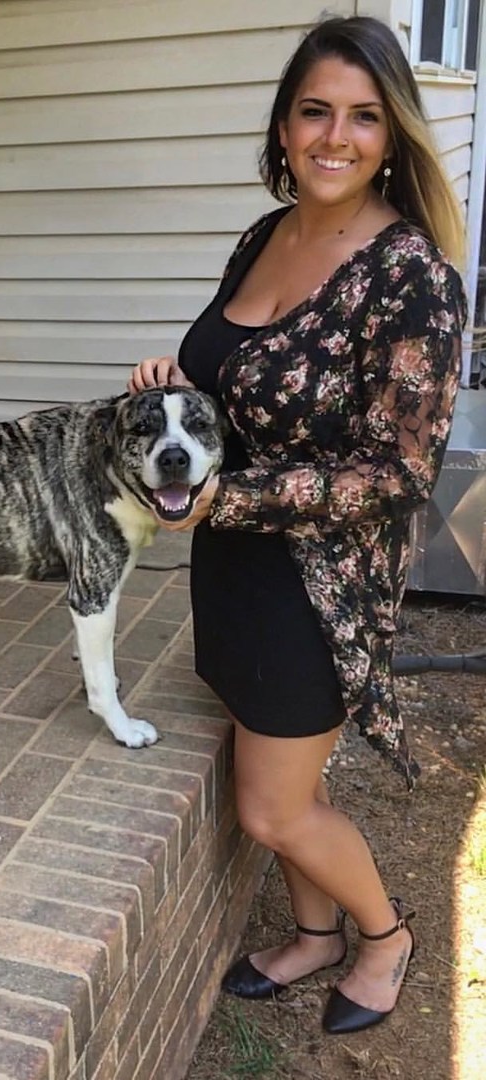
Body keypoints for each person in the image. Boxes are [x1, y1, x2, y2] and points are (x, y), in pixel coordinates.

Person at [128, 15, 466, 1035]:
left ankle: (385, 937)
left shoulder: (410, 279)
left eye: (364, 117)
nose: (335, 137)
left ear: (393, 135)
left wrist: (228, 497)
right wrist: (178, 393)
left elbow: (399, 471)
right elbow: (245, 383)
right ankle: (314, 934)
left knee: (272, 806)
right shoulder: (264, 235)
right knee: (274, 771)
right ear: (283, 126)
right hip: (233, 563)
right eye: (315, 110)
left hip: (320, 587)